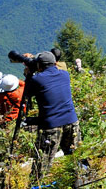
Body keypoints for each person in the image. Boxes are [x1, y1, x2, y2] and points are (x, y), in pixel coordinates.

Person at [26, 51, 80, 179]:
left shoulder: (36, 79)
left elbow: (27, 93)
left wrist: (29, 73)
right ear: (55, 63)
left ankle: (37, 185)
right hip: (71, 121)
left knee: (42, 163)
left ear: (39, 65)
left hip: (51, 126)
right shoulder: (65, 74)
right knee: (75, 156)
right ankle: (82, 179)